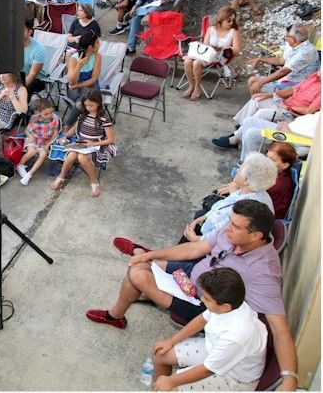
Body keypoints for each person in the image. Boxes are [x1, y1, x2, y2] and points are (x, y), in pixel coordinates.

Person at [88, 199, 299, 392]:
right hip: (193, 276)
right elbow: (194, 250)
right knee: (141, 264)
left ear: (255, 236)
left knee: (138, 274)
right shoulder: (232, 234)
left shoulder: (264, 274)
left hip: (203, 301)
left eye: (235, 225)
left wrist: (289, 378)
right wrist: (151, 254)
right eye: (230, 221)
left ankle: (120, 312)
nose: (227, 228)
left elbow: (280, 330)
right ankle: (119, 311)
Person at [151, 268, 268, 391]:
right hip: (216, 350)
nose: (202, 299)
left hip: (234, 378)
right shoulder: (231, 305)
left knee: (171, 388)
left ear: (225, 307)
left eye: (206, 298)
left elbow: (208, 370)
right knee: (160, 355)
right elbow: (202, 320)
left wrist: (171, 381)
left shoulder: (236, 334)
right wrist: (172, 340)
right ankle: (159, 387)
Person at [181, 152, 276, 243]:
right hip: (210, 230)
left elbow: (222, 238)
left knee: (183, 242)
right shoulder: (252, 191)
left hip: (212, 246)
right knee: (199, 215)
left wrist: (196, 239)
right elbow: (221, 206)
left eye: (240, 169)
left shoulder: (244, 211)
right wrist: (202, 218)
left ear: (247, 180)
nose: (237, 171)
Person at [51, 90, 116, 197]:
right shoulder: (84, 115)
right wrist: (65, 136)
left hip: (96, 145)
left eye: (91, 105)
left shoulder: (104, 118)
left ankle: (94, 182)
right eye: (86, 105)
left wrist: (92, 144)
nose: (88, 108)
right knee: (71, 156)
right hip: (81, 143)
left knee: (82, 157)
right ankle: (61, 177)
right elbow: (75, 127)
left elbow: (110, 139)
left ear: (98, 103)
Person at [182, 7, 241, 101]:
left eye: (233, 21)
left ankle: (197, 88)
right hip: (207, 53)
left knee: (196, 62)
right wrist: (212, 47)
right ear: (221, 19)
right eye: (229, 20)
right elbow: (205, 45)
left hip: (220, 57)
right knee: (187, 60)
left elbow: (237, 51)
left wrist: (226, 48)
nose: (231, 23)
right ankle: (191, 86)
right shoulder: (211, 29)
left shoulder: (233, 32)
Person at [246, 25, 318, 94]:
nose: (286, 39)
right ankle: (258, 103)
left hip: (295, 85)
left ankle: (261, 103)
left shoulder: (305, 52)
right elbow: (281, 60)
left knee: (255, 85)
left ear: (293, 39)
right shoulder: (299, 47)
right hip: (289, 80)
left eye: (287, 37)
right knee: (253, 80)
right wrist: (260, 59)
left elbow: (284, 71)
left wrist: (261, 82)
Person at [233, 70, 320, 125]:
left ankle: (237, 136)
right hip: (284, 104)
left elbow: (309, 110)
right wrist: (269, 95)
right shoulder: (315, 76)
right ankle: (242, 126)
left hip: (292, 113)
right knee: (257, 99)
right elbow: (293, 89)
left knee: (263, 113)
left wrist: (288, 107)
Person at [16, 98, 60, 186]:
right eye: (46, 114)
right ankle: (20, 165)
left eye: (51, 112)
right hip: (33, 140)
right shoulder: (34, 119)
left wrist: (48, 144)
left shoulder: (54, 119)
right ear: (39, 113)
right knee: (32, 151)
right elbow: (27, 130)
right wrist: (30, 136)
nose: (49, 115)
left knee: (43, 155)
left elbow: (55, 133)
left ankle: (29, 174)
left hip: (45, 142)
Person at [64, 32, 102, 125]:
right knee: (86, 99)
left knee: (86, 97)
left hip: (91, 87)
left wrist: (79, 85)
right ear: (90, 47)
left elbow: (94, 79)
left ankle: (68, 125)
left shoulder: (97, 56)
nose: (99, 44)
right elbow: (72, 82)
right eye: (97, 42)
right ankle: (77, 126)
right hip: (75, 90)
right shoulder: (74, 58)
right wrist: (79, 66)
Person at [21, 18, 47, 98]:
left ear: (30, 32)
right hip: (17, 77)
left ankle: (22, 109)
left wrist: (18, 89)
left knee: (28, 88)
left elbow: (33, 74)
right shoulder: (12, 45)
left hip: (37, 78)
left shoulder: (38, 49)